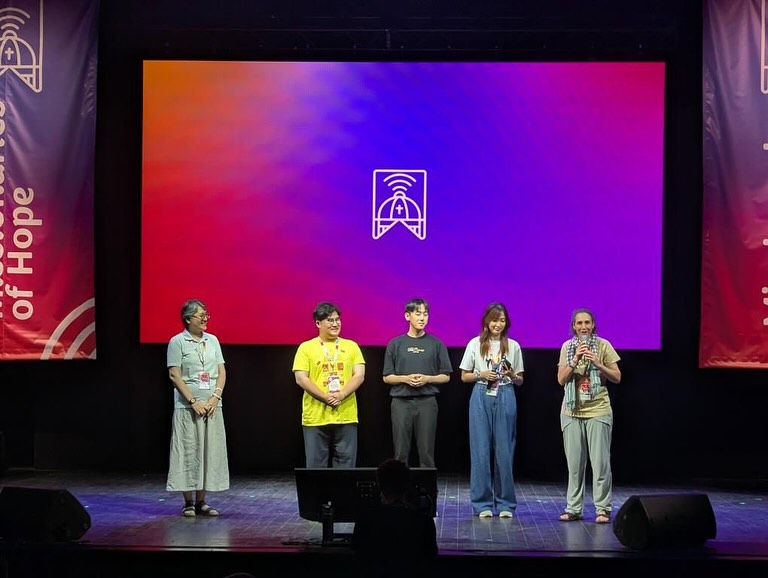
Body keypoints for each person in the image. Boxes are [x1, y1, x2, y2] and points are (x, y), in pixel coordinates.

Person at [556, 308, 621, 524]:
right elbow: (561, 379)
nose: (583, 326)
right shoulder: (567, 347)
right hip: (571, 411)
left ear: (593, 325)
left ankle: (602, 508)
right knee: (575, 465)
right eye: (579, 323)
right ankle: (574, 508)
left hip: (598, 410)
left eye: (587, 323)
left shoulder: (603, 345)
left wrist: (598, 364)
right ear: (574, 326)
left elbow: (617, 377)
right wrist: (575, 359)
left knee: (600, 463)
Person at [459, 302, 524, 518]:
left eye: (502, 320)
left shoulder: (513, 346)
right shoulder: (475, 343)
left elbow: (520, 380)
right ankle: (482, 504)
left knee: (504, 451)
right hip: (481, 393)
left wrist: (512, 375)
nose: (498, 324)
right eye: (494, 320)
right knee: (480, 450)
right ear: (487, 321)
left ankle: (505, 504)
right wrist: (482, 374)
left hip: (505, 392)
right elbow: (464, 376)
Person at [166, 299, 229, 517]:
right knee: (188, 450)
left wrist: (215, 397)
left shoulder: (213, 340)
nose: (205, 319)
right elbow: (174, 375)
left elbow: (221, 372)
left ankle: (202, 501)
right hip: (188, 406)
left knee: (208, 451)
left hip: (212, 405)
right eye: (201, 315)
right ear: (188, 319)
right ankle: (188, 502)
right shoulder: (177, 342)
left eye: (206, 315)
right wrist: (193, 401)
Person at [292, 302, 366, 468]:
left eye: (337, 319)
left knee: (346, 466)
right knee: (315, 468)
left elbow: (359, 375)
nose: (335, 324)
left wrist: (342, 394)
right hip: (315, 416)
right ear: (318, 323)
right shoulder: (306, 348)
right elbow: (301, 378)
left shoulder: (351, 346)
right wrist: (324, 397)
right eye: (330, 320)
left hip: (345, 414)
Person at [383, 298, 453, 468]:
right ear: (407, 316)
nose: (422, 318)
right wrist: (405, 379)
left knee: (426, 452)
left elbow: (446, 376)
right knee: (400, 452)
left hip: (427, 402)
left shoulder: (436, 344)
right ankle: (399, 485)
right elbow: (387, 377)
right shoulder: (395, 344)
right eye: (418, 313)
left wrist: (427, 379)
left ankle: (426, 485)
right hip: (401, 402)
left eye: (425, 314)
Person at [352, 458, 438, 577]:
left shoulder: (366, 520)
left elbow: (357, 557)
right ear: (407, 486)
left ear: (380, 486)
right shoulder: (424, 522)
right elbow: (431, 560)